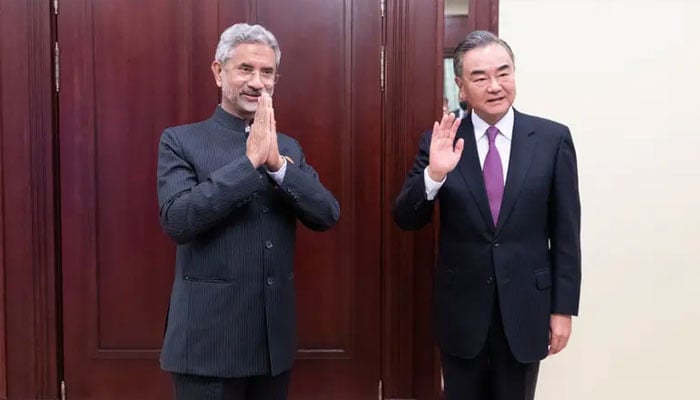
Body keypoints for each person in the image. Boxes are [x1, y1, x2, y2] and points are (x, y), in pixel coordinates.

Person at [393, 30, 581, 400]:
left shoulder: (551, 138)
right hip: (462, 309)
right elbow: (406, 217)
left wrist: (562, 309)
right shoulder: (440, 142)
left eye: (503, 73)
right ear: (461, 87)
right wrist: (435, 174)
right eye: (480, 77)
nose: (495, 86)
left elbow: (566, 233)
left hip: (528, 306)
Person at [157, 23, 340, 399]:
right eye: (245, 69)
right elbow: (178, 220)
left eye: (267, 72)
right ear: (218, 72)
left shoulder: (288, 146)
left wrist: (278, 165)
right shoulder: (180, 140)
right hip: (206, 348)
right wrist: (250, 163)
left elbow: (326, 214)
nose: (257, 82)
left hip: (273, 345)